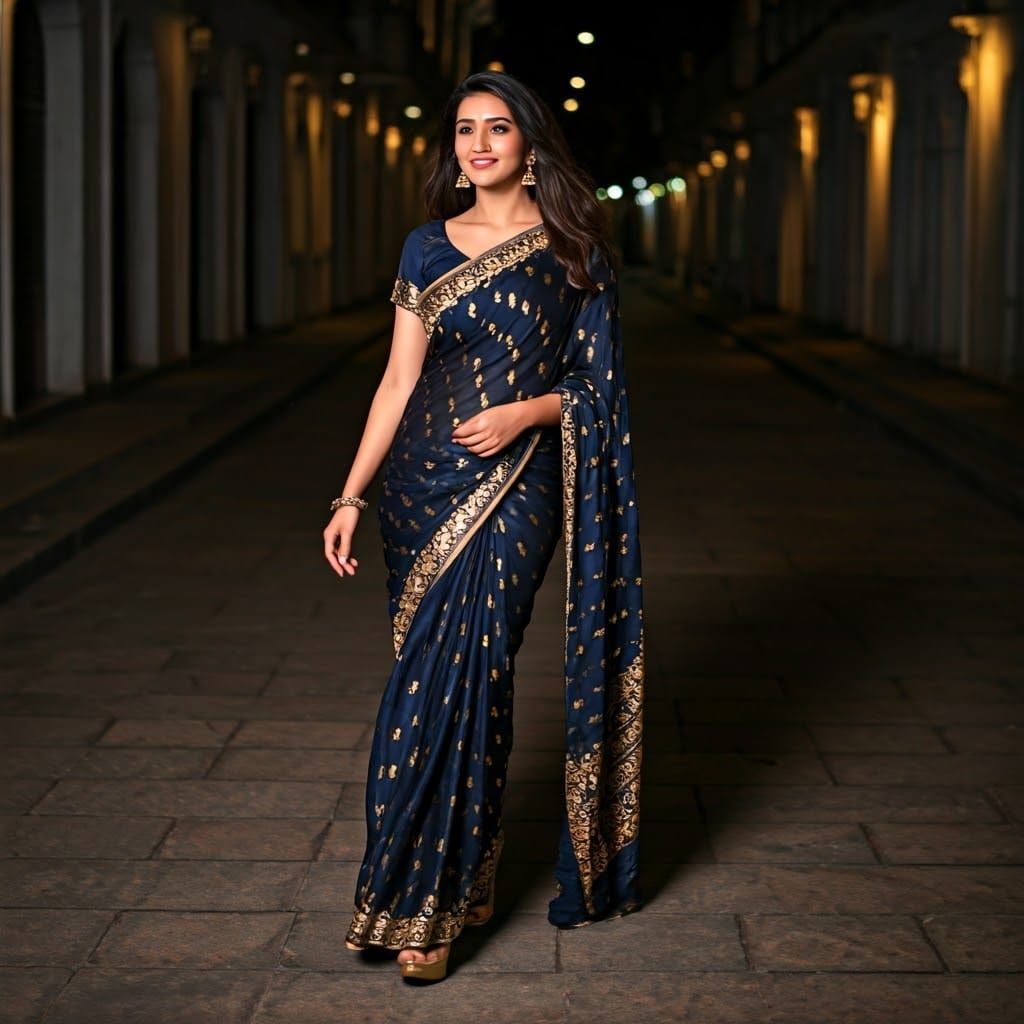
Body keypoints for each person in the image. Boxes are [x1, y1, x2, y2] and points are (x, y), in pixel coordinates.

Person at [322, 69, 646, 983]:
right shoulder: (426, 246)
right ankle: (417, 890)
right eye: (465, 129)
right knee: (423, 685)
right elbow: (396, 383)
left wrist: (527, 413)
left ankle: (437, 905)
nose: (478, 144)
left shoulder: (574, 249)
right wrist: (350, 495)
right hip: (420, 491)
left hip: (517, 488)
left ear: (530, 146)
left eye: (497, 128)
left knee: (477, 673)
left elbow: (599, 389)